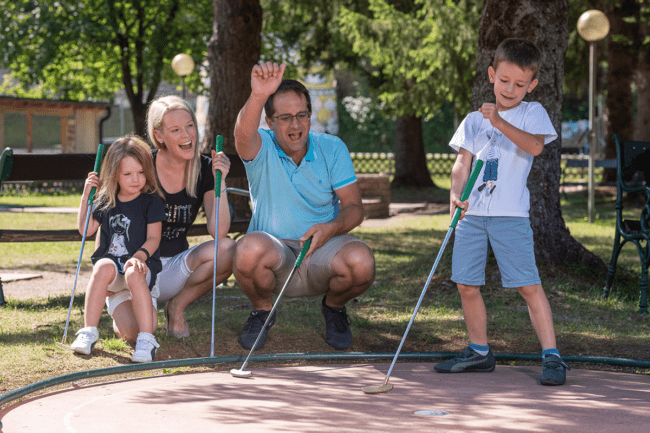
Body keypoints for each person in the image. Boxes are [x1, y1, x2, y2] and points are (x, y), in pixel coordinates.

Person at [433, 38, 571, 385]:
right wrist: (455, 196)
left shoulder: (531, 113)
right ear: (491, 75)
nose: (510, 90)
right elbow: (461, 163)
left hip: (511, 216)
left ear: (532, 85)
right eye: (504, 81)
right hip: (473, 216)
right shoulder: (472, 120)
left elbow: (536, 146)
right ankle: (479, 351)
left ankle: (552, 356)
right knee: (466, 283)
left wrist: (499, 123)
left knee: (527, 284)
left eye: (520, 84)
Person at [232, 61, 375, 351]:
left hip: (323, 252)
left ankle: (334, 308)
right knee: (247, 249)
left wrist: (330, 228)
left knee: (362, 262)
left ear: (310, 116)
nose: (295, 126)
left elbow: (354, 208)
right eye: (284, 118)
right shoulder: (263, 146)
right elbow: (242, 136)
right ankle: (262, 311)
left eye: (302, 115)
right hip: (277, 255)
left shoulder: (332, 147)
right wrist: (258, 95)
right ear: (270, 123)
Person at [70, 136, 167, 363]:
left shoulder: (151, 202)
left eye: (141, 173)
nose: (135, 179)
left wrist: (138, 257)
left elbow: (154, 238)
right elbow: (86, 230)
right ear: (114, 174)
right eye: (127, 174)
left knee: (133, 272)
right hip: (114, 272)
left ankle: (146, 340)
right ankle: (88, 332)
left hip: (141, 270)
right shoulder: (105, 200)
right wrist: (87, 195)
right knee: (103, 265)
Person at [146, 95, 235, 338]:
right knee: (133, 334)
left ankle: (176, 307)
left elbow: (220, 232)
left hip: (176, 269)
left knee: (228, 249)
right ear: (159, 135)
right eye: (176, 129)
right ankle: (141, 311)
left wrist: (221, 181)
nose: (187, 135)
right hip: (139, 269)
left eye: (190, 125)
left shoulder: (205, 168)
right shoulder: (143, 166)